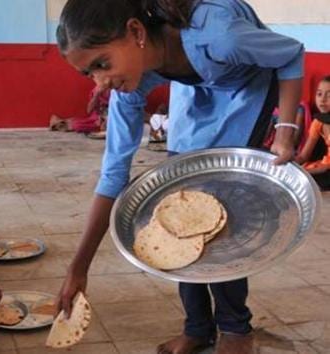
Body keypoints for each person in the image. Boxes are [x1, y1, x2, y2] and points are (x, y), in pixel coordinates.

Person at [54, 1, 303, 353]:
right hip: (196, 86)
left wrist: (286, 130)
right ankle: (197, 328)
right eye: (89, 74)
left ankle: (235, 330)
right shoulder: (128, 86)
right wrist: (78, 268)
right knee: (178, 208)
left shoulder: (220, 35)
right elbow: (113, 175)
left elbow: (290, 55)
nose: (101, 81)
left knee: (222, 212)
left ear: (137, 32)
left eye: (101, 64)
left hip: (245, 90)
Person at [297, 76, 330, 176]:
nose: (322, 100)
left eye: (329, 96)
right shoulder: (318, 122)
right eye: (319, 94)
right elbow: (303, 156)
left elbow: (324, 167)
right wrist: (290, 163)